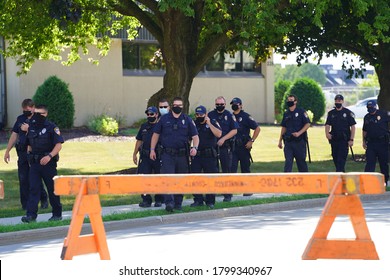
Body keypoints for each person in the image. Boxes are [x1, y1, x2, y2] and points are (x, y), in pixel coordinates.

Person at [150, 97, 199, 212]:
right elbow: (155, 135)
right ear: (172, 106)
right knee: (168, 178)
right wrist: (152, 149)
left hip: (182, 155)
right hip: (167, 154)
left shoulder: (187, 119)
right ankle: (169, 202)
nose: (177, 107)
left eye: (180, 105)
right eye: (175, 105)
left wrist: (195, 148)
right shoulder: (164, 119)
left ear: (183, 106)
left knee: (180, 179)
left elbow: (195, 136)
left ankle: (178, 203)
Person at [21, 105, 64, 223]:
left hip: (48, 163)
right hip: (35, 163)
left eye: (40, 114)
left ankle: (57, 214)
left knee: (52, 189)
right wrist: (29, 156)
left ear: (45, 114)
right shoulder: (32, 127)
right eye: (36, 113)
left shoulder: (52, 127)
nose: (37, 116)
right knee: (33, 189)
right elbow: (29, 143)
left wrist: (49, 156)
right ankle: (31, 215)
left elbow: (58, 144)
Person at [3, 99, 48, 210]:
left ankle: (43, 199)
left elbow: (40, 135)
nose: (26, 112)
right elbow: (14, 135)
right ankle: (25, 204)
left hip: (34, 153)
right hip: (22, 152)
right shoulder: (20, 119)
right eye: (24, 110)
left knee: (35, 178)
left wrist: (28, 129)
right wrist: (7, 151)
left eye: (28, 110)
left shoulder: (38, 119)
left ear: (33, 108)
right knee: (23, 178)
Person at [190, 105, 222, 209]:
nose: (199, 116)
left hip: (209, 156)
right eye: (197, 114)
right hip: (197, 156)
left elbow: (219, 134)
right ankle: (198, 199)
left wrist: (209, 123)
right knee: (195, 178)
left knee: (210, 178)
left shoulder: (212, 122)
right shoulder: (194, 124)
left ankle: (210, 201)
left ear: (206, 114)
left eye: (201, 114)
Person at [208, 96, 238, 202]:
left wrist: (223, 139)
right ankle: (213, 193)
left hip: (226, 147)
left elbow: (234, 130)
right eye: (218, 104)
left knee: (226, 170)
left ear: (225, 104)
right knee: (213, 170)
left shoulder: (229, 115)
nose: (219, 106)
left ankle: (227, 194)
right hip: (213, 148)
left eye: (222, 104)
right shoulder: (210, 115)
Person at [133, 106, 164, 207]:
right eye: (148, 114)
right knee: (144, 178)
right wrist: (134, 154)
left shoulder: (161, 126)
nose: (150, 116)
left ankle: (159, 199)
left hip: (158, 156)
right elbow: (139, 140)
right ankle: (146, 200)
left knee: (159, 178)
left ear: (156, 115)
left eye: (152, 114)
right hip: (145, 156)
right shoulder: (144, 126)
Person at [230, 97, 260, 196]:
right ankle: (229, 191)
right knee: (231, 168)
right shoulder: (229, 117)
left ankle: (247, 189)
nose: (234, 105)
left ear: (241, 105)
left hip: (243, 146)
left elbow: (257, 128)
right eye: (233, 104)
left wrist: (252, 141)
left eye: (236, 104)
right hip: (232, 147)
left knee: (245, 168)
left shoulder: (246, 116)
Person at [278, 94, 310, 172]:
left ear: (295, 102)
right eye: (288, 100)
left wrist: (299, 133)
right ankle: (287, 181)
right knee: (288, 163)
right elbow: (284, 127)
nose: (289, 102)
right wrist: (280, 140)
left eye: (291, 100)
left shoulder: (301, 111)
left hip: (299, 142)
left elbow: (308, 124)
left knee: (301, 163)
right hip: (288, 142)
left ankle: (305, 181)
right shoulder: (286, 113)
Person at [325, 94, 356, 172]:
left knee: (341, 160)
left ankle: (339, 176)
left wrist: (351, 139)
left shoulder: (348, 113)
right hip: (334, 139)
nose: (337, 102)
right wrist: (327, 134)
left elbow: (353, 126)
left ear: (342, 101)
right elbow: (327, 124)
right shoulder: (331, 113)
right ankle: (341, 175)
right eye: (336, 101)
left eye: (339, 101)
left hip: (344, 140)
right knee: (335, 157)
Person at [362, 100, 389, 184]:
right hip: (371, 143)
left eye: (372, 107)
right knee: (370, 162)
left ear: (375, 106)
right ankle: (367, 181)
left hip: (382, 143)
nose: (370, 109)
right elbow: (364, 130)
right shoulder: (367, 117)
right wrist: (363, 141)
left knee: (383, 163)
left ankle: (385, 180)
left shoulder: (383, 114)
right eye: (369, 108)